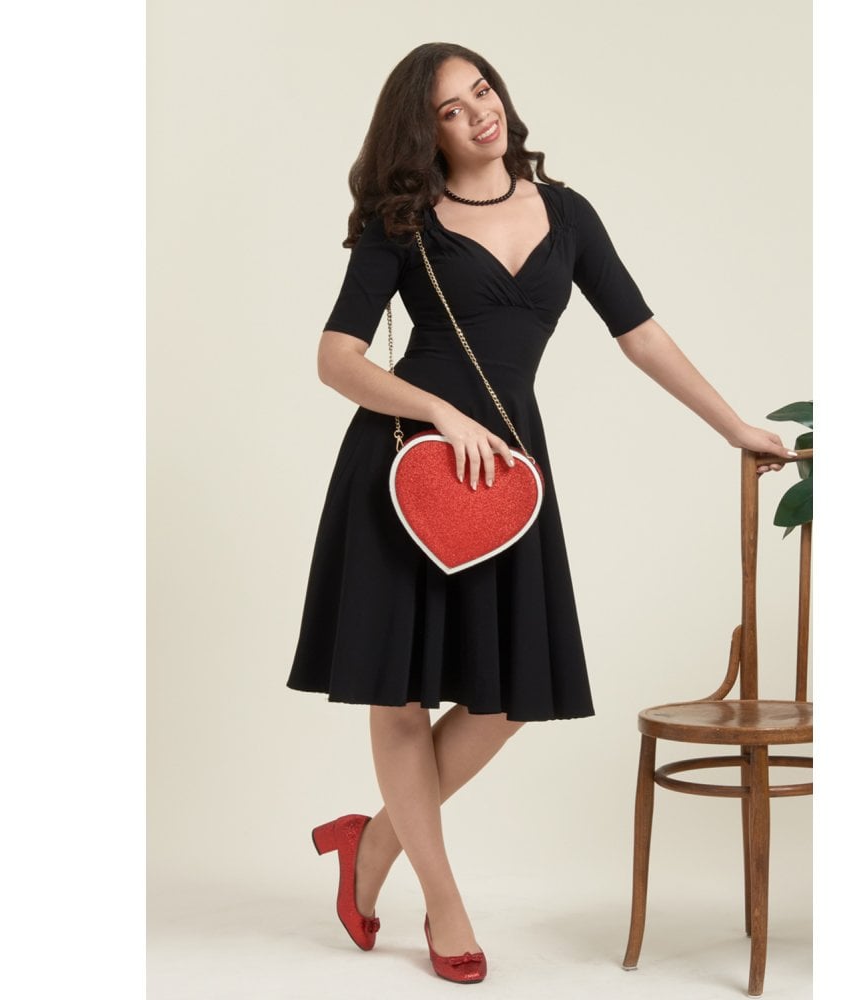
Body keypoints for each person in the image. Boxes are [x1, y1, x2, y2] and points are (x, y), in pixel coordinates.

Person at [288, 42, 794, 985]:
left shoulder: (568, 212)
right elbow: (337, 357)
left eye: (483, 89)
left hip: (510, 484)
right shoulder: (402, 221)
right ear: (423, 130)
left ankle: (370, 849)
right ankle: (445, 905)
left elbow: (639, 333)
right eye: (450, 108)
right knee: (400, 695)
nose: (480, 111)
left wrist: (736, 428)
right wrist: (436, 408)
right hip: (405, 468)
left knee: (506, 694)